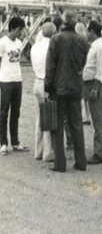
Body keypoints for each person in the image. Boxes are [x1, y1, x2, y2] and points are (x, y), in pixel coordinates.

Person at [45, 12, 90, 172]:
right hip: (76, 87)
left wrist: (47, 86)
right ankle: (81, 161)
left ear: (63, 22)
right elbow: (83, 62)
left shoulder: (55, 39)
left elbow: (50, 66)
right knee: (76, 125)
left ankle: (60, 163)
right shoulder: (82, 40)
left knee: (57, 125)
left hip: (59, 87)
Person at [82, 21, 102, 165]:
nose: (86, 34)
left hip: (96, 84)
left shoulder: (99, 47)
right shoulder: (96, 46)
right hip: (94, 83)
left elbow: (100, 70)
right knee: (101, 118)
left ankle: (100, 152)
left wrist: (95, 88)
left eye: (87, 31)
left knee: (98, 119)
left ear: (92, 31)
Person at [30, 21, 57, 161]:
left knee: (39, 117)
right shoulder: (52, 47)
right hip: (47, 83)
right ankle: (48, 152)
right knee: (49, 116)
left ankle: (38, 150)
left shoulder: (34, 47)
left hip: (37, 80)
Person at [0, 17, 28, 155]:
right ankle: (3, 142)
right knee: (4, 111)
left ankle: (15, 141)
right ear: (12, 29)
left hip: (17, 79)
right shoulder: (2, 43)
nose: (20, 33)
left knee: (16, 112)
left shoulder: (19, 43)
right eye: (18, 30)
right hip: (5, 80)